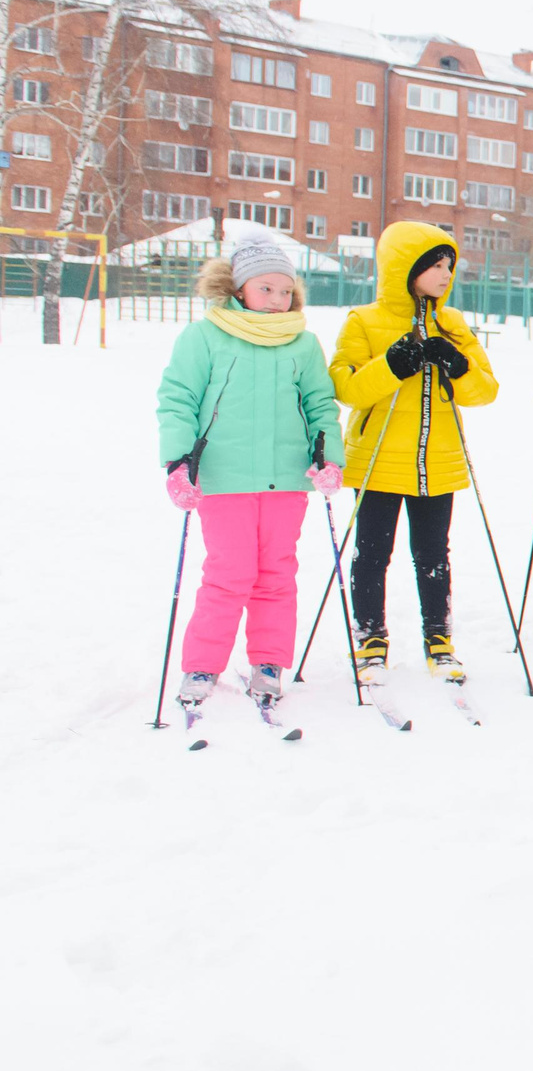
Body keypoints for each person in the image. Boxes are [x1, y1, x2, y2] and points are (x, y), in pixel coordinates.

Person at [156, 232, 344, 711]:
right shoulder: (205, 336)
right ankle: (202, 664)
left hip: (287, 479)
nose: (278, 300)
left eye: (285, 291)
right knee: (227, 573)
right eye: (266, 289)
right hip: (225, 477)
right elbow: (178, 399)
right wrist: (179, 463)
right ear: (239, 289)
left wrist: (329, 459)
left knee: (276, 574)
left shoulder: (302, 343)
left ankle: (268, 663)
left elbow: (320, 405)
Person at [331, 221, 498, 681]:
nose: (446, 274)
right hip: (378, 461)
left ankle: (439, 636)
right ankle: (370, 637)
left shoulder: (453, 323)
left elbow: (485, 392)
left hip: (436, 464)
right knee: (371, 552)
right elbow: (345, 387)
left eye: (449, 265)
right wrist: (392, 365)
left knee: (433, 554)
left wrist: (457, 365)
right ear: (405, 268)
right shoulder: (363, 321)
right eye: (435, 265)